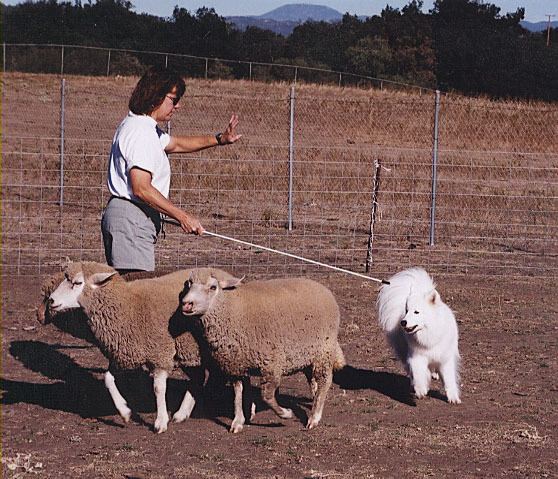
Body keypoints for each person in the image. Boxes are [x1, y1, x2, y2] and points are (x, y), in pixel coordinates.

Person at [101, 65, 241, 274]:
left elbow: (176, 144)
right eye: (173, 99)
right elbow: (141, 188)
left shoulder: (145, 128)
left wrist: (220, 139)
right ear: (155, 96)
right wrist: (183, 217)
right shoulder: (141, 133)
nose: (177, 106)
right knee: (138, 297)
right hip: (132, 222)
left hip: (133, 220)